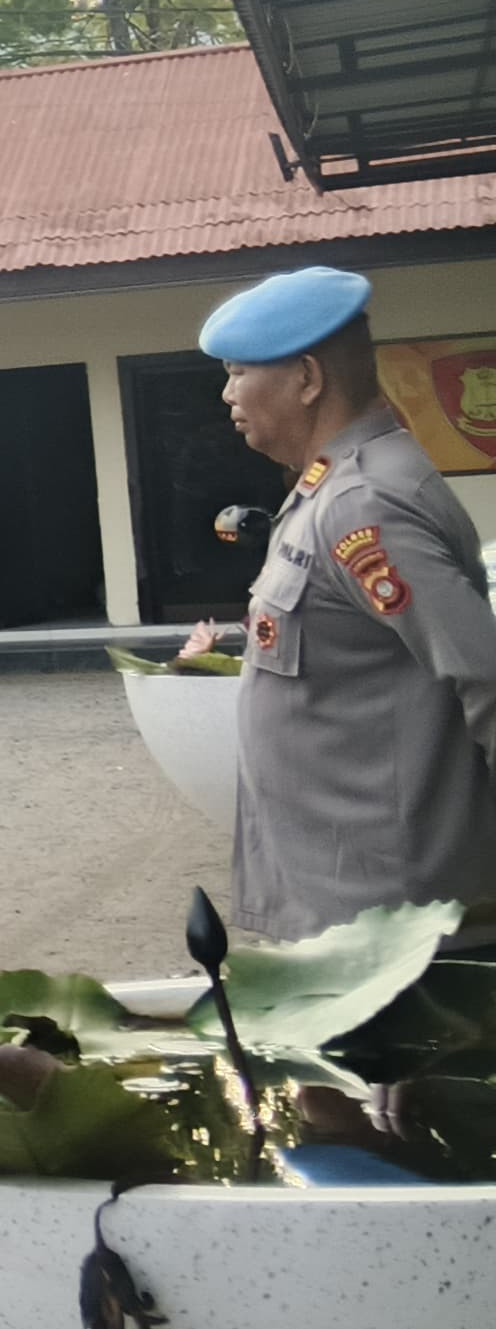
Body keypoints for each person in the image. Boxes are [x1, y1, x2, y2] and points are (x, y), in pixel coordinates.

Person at [189, 265, 496, 942]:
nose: (227, 391)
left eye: (240, 371)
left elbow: (485, 676)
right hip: (345, 908)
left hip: (391, 927)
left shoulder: (367, 506)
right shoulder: (325, 491)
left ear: (306, 378)